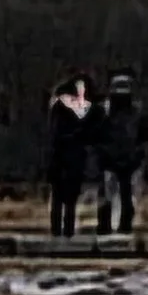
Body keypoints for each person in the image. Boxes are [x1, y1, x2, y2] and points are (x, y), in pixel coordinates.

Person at [93, 74, 147, 238]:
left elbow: (143, 137)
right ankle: (105, 225)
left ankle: (124, 225)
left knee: (127, 195)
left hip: (128, 160)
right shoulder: (104, 111)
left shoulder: (136, 112)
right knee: (107, 195)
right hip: (109, 160)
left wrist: (138, 157)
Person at [44, 77, 93, 242]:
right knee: (69, 200)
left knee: (58, 199)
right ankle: (68, 231)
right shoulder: (78, 109)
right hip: (73, 160)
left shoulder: (57, 109)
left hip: (59, 159)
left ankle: (58, 231)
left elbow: (53, 136)